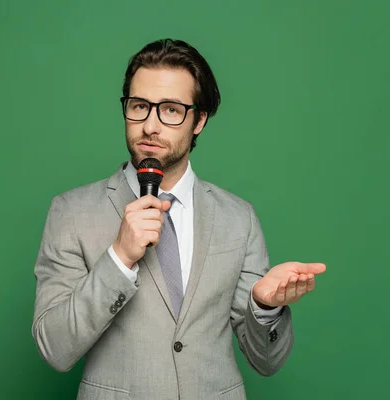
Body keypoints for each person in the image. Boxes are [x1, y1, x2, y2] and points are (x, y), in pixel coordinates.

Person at [32, 38, 326, 400]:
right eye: (140, 106)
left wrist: (264, 307)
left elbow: (266, 361)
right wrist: (119, 258)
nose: (151, 126)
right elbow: (54, 348)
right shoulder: (71, 212)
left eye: (170, 110)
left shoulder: (239, 218)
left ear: (199, 120)